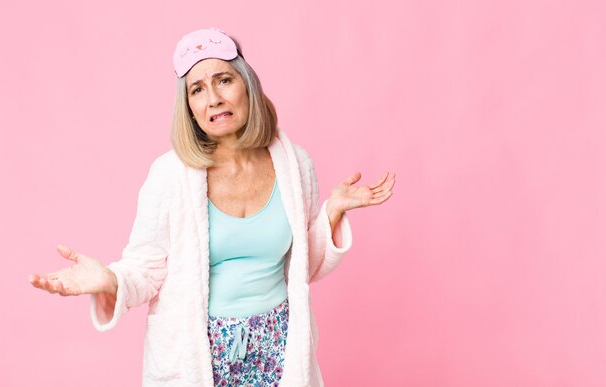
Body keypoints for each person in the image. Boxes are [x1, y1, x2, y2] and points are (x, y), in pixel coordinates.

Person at [29, 27, 396, 387]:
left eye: (224, 80)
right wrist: (109, 279)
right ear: (188, 107)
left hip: (278, 345)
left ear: (247, 85)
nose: (214, 99)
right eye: (198, 89)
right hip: (200, 354)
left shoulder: (295, 164)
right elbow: (146, 268)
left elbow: (304, 266)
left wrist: (333, 212)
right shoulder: (169, 176)